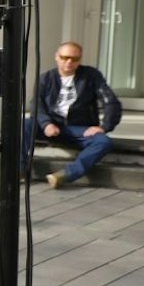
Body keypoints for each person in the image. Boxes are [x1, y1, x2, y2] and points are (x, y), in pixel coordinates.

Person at [30, 42, 120, 188]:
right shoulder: (45, 78)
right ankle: (20, 170)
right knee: (22, 126)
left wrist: (104, 126)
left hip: (79, 129)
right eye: (64, 57)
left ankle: (65, 175)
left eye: (74, 59)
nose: (69, 62)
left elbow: (110, 101)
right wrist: (46, 123)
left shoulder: (91, 76)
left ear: (80, 60)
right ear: (57, 57)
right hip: (51, 126)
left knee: (103, 142)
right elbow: (36, 105)